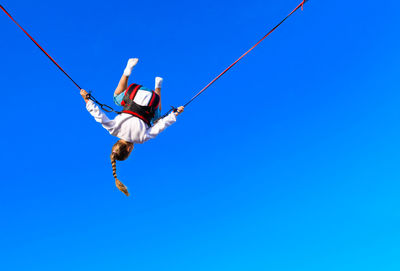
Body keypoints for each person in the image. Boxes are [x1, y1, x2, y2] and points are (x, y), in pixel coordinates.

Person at [80, 58, 184, 196]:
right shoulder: (113, 129)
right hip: (135, 91)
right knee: (117, 98)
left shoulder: (141, 138)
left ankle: (158, 86)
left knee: (158, 118)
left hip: (152, 99)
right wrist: (86, 98)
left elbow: (161, 125)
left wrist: (175, 114)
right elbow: (98, 115)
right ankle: (127, 71)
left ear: (128, 148)